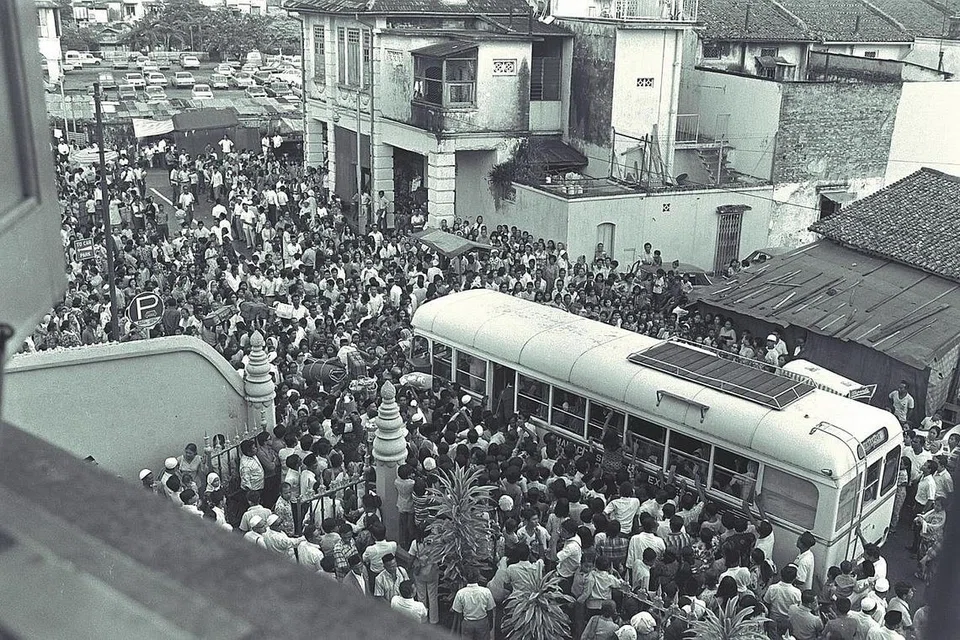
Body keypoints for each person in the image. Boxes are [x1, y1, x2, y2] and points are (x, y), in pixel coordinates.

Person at [451, 566, 496, 640]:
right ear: (478, 578)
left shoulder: (460, 593)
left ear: (465, 578)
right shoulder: (486, 592)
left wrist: (462, 623)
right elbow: (490, 609)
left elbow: (458, 611)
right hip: (482, 622)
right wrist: (490, 622)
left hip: (467, 622)